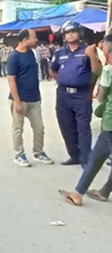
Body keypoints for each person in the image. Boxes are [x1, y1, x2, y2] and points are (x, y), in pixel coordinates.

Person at [58, 34, 112, 206]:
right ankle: (83, 192)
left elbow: (101, 96)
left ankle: (79, 193)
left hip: (110, 121)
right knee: (96, 157)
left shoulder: (108, 70)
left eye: (103, 47)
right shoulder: (62, 52)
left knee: (96, 155)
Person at [50, 21, 101, 166]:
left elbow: (97, 70)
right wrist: (64, 80)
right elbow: (53, 70)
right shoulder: (60, 52)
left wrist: (91, 56)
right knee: (66, 126)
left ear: (80, 33)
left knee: (83, 127)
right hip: (63, 95)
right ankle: (74, 155)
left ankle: (86, 159)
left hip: (81, 94)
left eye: (73, 31)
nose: (70, 34)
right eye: (67, 32)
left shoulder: (87, 51)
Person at [7, 29, 53, 167]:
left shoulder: (32, 54)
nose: (36, 39)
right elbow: (11, 81)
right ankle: (19, 154)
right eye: (34, 37)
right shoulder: (14, 57)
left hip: (34, 99)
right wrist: (17, 102)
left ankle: (38, 152)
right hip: (20, 99)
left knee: (39, 127)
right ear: (25, 39)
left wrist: (38, 96)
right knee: (18, 128)